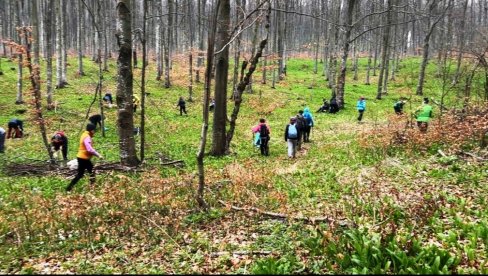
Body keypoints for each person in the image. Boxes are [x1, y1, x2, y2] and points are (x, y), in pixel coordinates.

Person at [66, 123, 103, 192]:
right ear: (91, 130)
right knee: (88, 172)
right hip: (83, 158)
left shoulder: (84, 134)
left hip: (82, 157)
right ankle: (92, 187)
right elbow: (89, 149)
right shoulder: (87, 137)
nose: (95, 131)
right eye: (94, 130)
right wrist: (98, 155)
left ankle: (69, 188)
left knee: (86, 172)